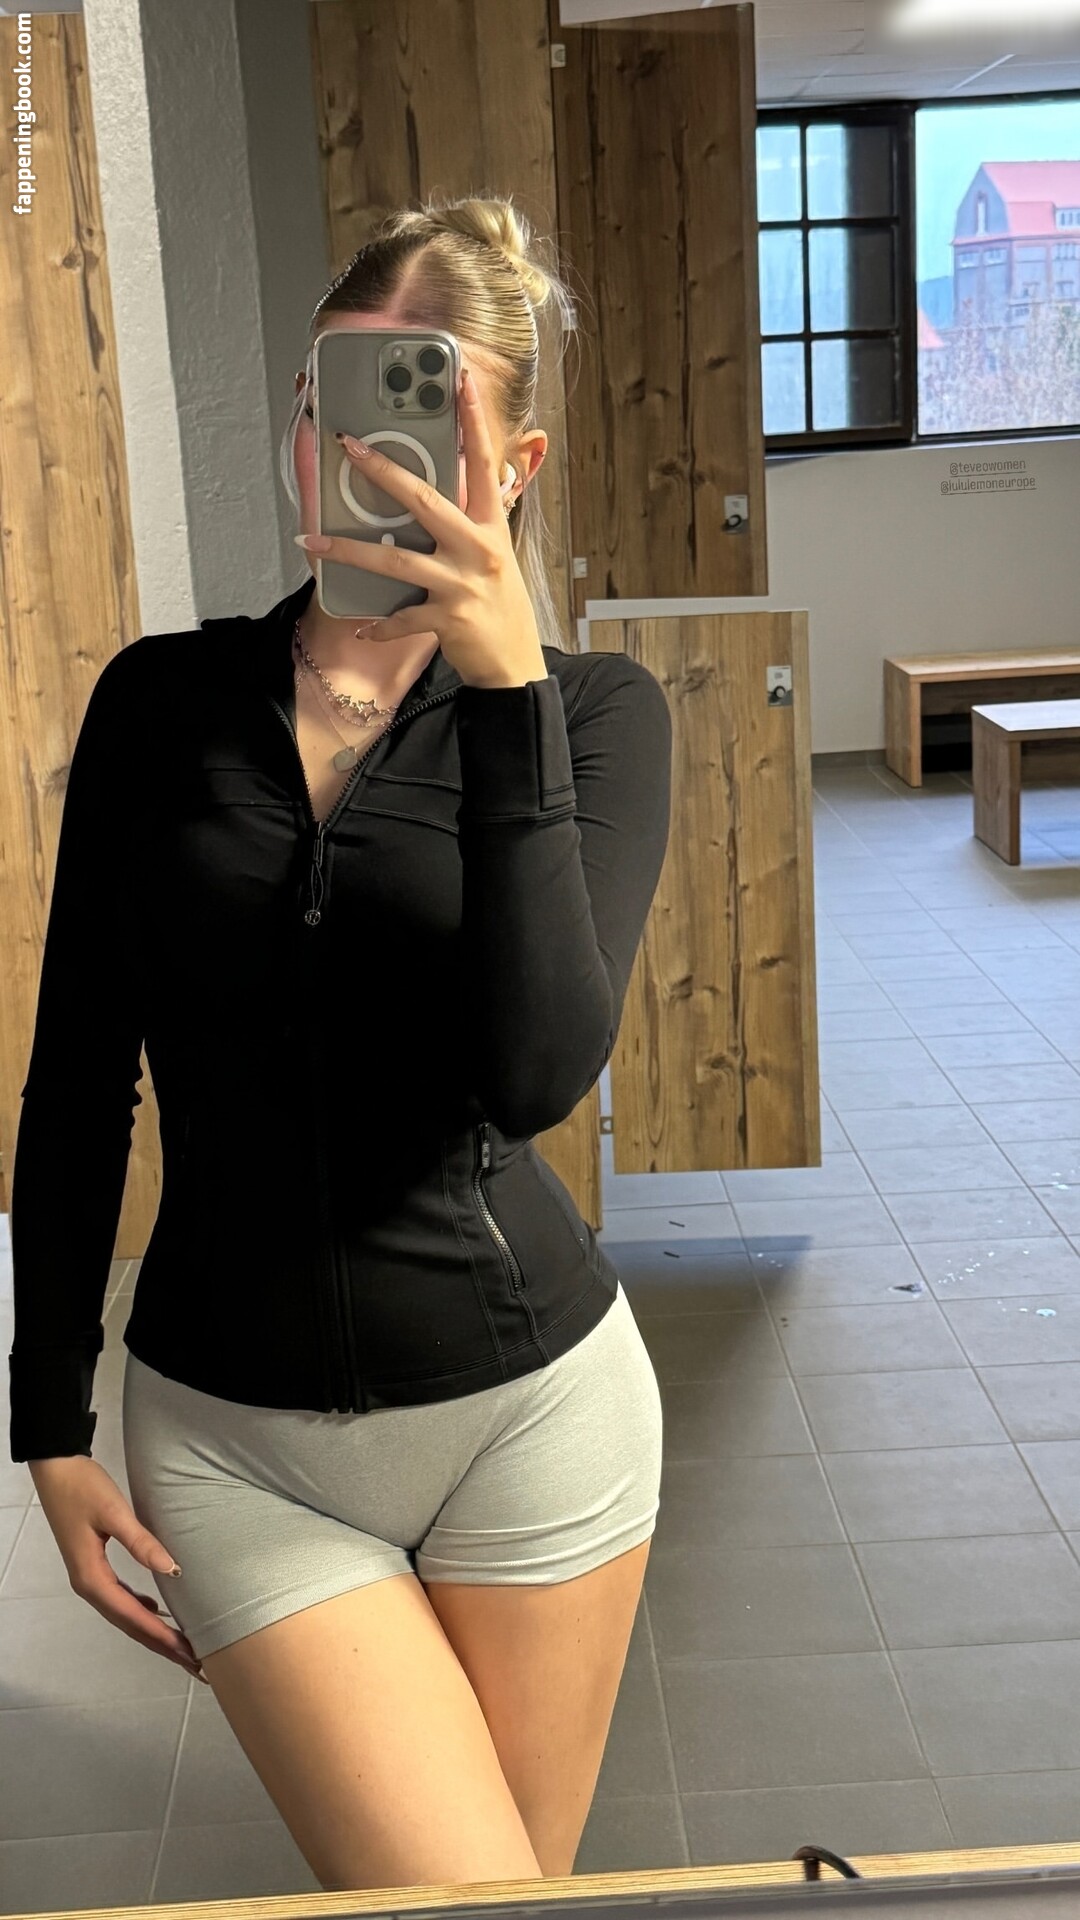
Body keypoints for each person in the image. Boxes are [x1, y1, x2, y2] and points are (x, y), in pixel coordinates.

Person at [8, 195, 673, 1894]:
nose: (351, 449)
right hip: (235, 1447)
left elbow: (536, 1076)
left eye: (411, 412)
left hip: (536, 1419)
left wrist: (506, 695)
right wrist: (45, 1416)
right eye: (330, 397)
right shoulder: (160, 705)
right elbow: (79, 1072)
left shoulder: (596, 718)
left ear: (512, 465)